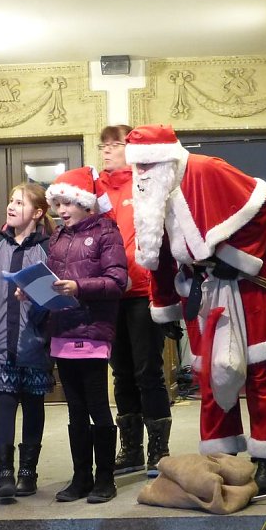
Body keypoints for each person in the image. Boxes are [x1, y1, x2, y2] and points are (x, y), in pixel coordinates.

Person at [124, 124, 266, 495]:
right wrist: (165, 307)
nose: (142, 174)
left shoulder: (206, 168)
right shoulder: (152, 194)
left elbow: (263, 201)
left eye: (149, 165)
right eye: (138, 167)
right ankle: (224, 460)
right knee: (210, 378)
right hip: (199, 290)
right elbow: (159, 255)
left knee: (261, 371)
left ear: (168, 158)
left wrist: (239, 256)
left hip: (247, 286)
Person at [43, 166, 127, 503]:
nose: (61, 211)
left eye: (68, 203)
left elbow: (117, 281)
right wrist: (33, 291)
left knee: (97, 407)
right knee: (74, 410)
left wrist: (78, 287)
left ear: (84, 203)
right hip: (63, 330)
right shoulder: (58, 237)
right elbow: (53, 281)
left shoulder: (107, 232)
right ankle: (81, 478)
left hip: (92, 331)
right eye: (57, 204)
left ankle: (105, 479)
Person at [96, 125, 175, 477]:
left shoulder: (146, 182)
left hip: (144, 291)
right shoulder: (95, 191)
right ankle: (130, 449)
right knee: (121, 372)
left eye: (116, 144)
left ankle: (159, 449)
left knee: (148, 371)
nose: (108, 150)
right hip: (110, 295)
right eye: (104, 145)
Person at [0, 183, 57, 500]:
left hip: (34, 342)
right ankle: (4, 473)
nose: (11, 206)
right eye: (10, 200)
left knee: (34, 405)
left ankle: (28, 472)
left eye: (19, 202)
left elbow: (53, 296)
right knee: (5, 404)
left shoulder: (49, 249)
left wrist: (39, 312)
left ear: (37, 213)